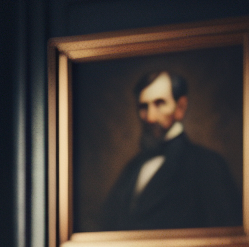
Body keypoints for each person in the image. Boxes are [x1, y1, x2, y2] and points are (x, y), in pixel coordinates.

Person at [98, 70, 241, 231]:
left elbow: (228, 234)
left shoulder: (208, 165)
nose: (150, 117)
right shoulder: (132, 168)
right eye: (143, 106)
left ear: (180, 107)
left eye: (160, 104)